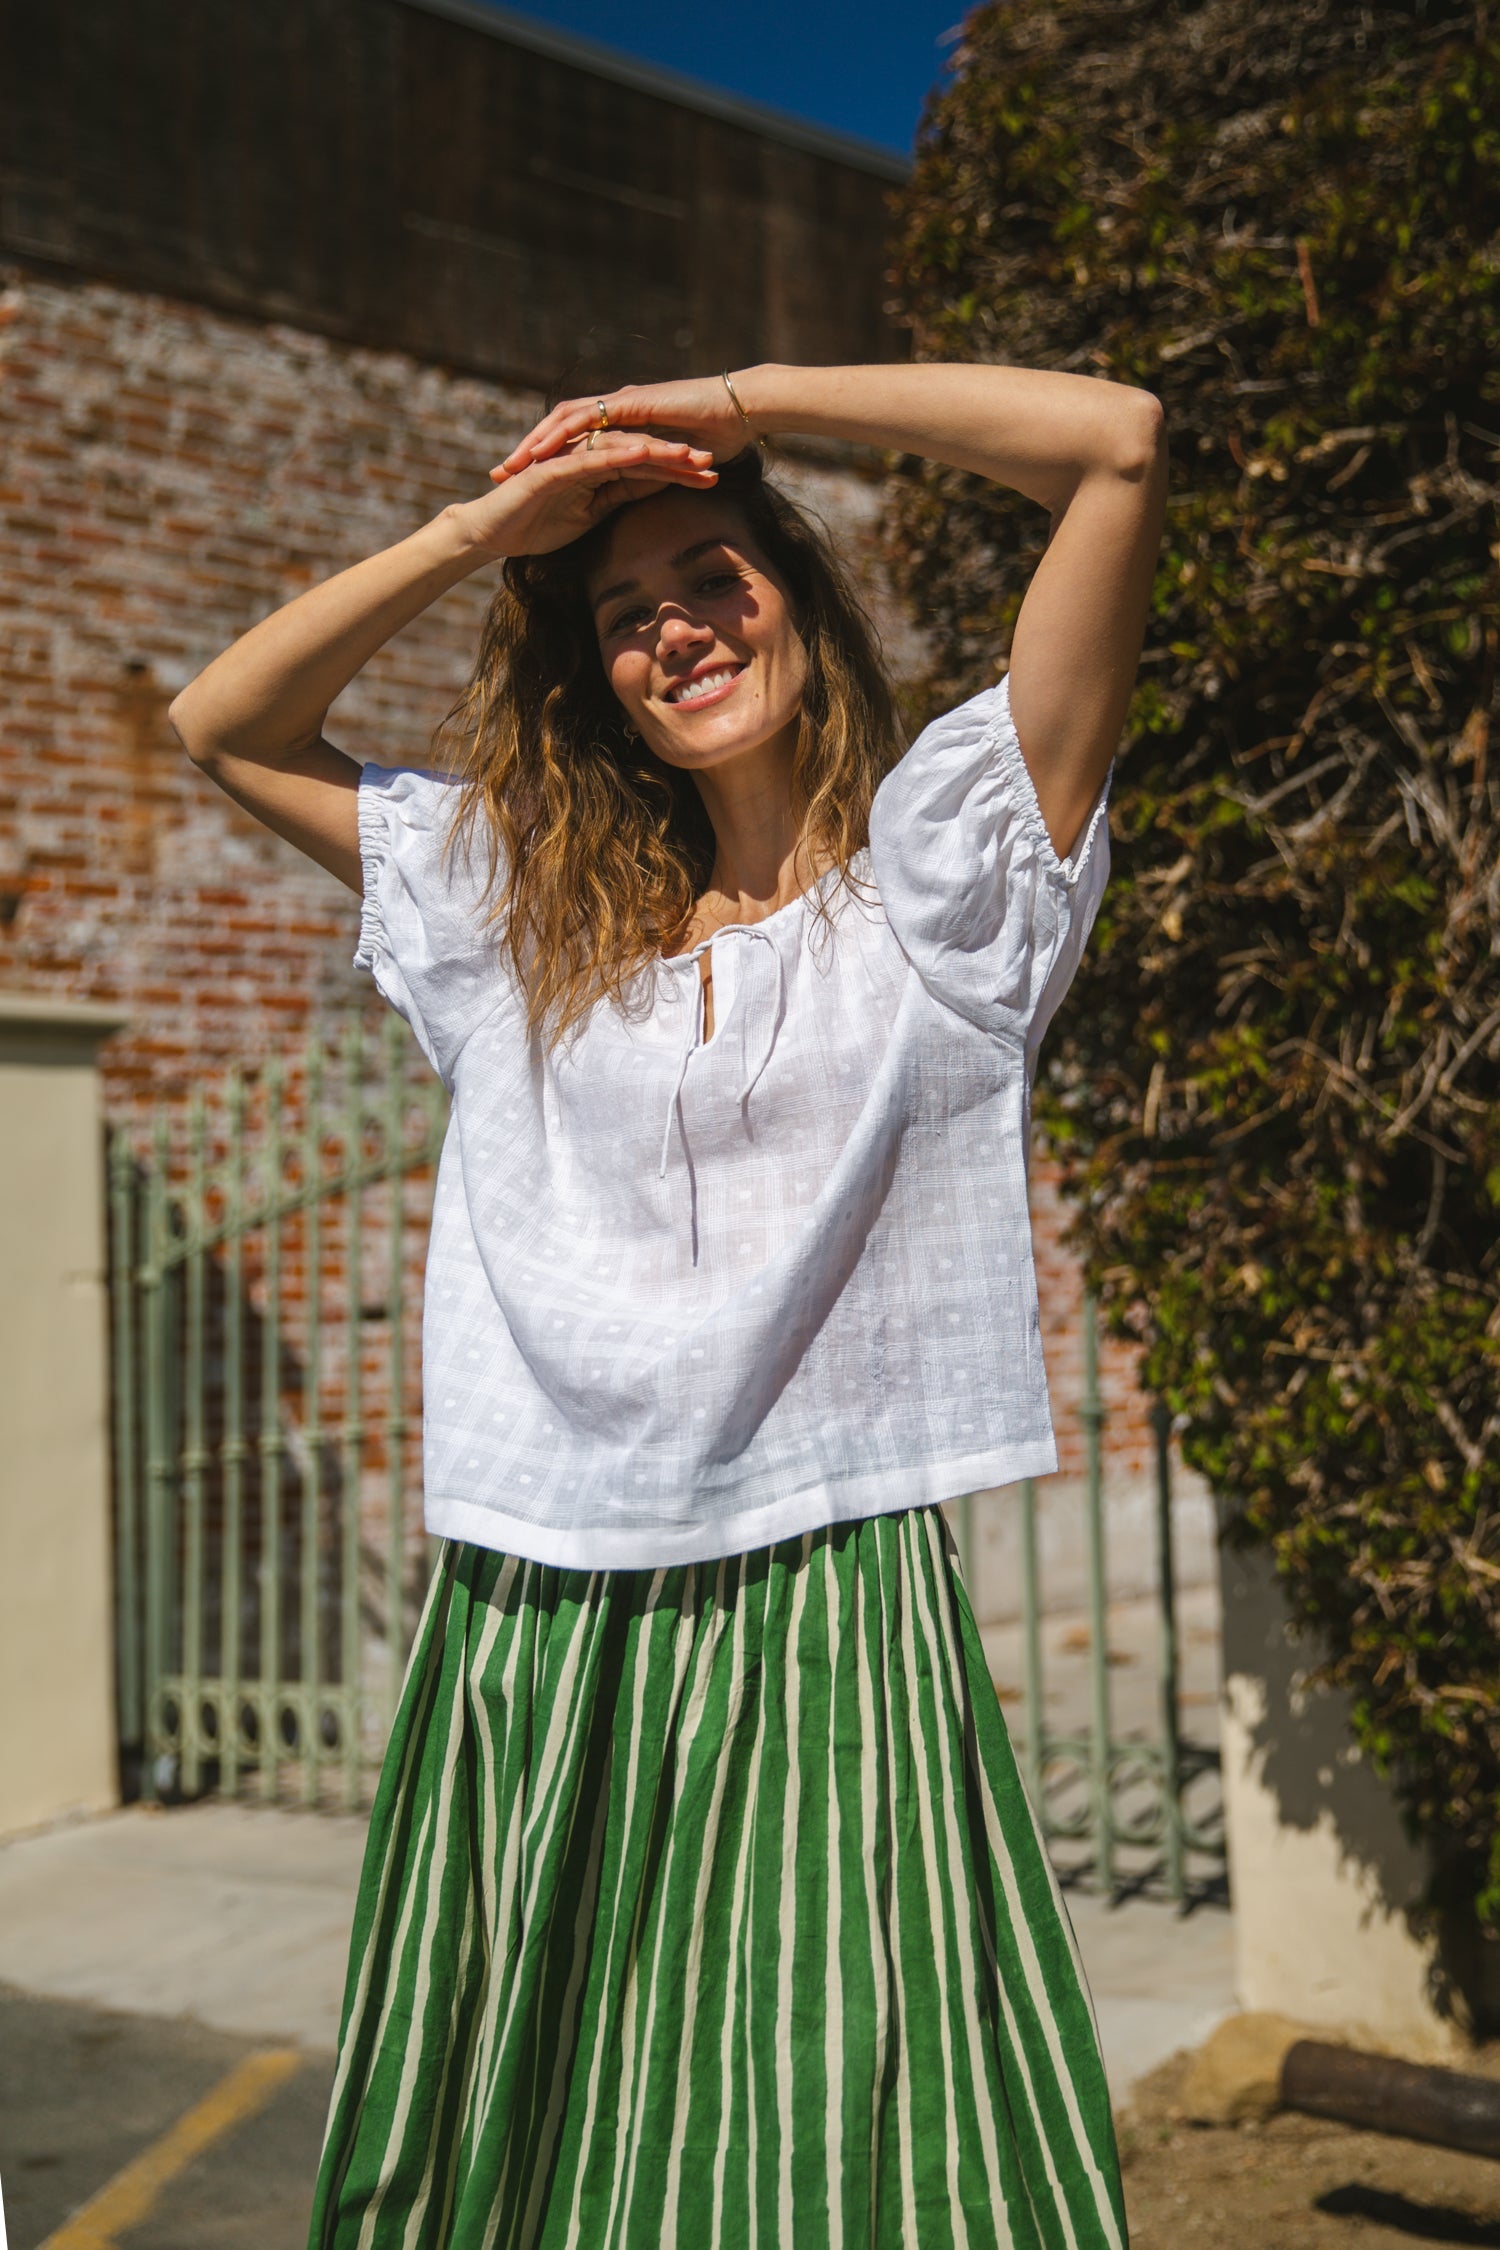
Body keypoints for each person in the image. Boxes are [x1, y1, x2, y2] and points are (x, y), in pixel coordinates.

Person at [169, 361, 1165, 2250]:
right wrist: (487, 532)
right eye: (624, 614)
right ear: (595, 678)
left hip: (825, 1599)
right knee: (536, 2123)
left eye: (715, 574)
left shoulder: (945, 897)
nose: (676, 629)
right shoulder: (516, 914)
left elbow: (1114, 443)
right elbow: (226, 722)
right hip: (535, 1604)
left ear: (797, 596)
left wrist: (735, 399)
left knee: (835, 2118)